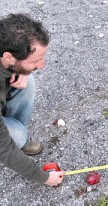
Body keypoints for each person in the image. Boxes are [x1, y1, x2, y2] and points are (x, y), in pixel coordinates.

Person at [0, 13, 64, 186]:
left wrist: (21, 71)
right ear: (8, 57)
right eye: (37, 60)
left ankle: (16, 136)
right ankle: (18, 139)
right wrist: (42, 177)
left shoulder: (7, 54)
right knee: (16, 137)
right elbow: (3, 148)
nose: (42, 65)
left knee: (27, 81)